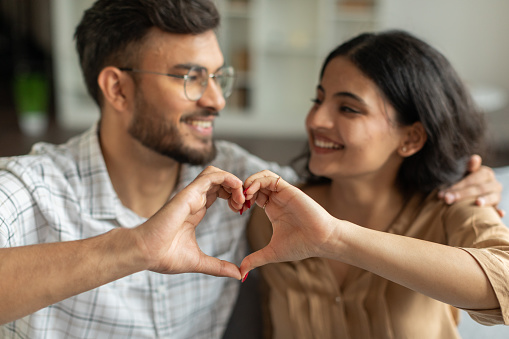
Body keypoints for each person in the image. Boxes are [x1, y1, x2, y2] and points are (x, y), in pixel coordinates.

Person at [0, 0, 501, 337]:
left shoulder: (240, 185)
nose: (217, 100)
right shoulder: (32, 187)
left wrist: (467, 180)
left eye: (219, 77)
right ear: (118, 89)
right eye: (191, 78)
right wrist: (134, 248)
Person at [241, 31, 509, 339]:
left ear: (410, 138)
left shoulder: (452, 206)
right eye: (318, 99)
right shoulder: (274, 216)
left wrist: (336, 239)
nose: (316, 120)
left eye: (348, 108)